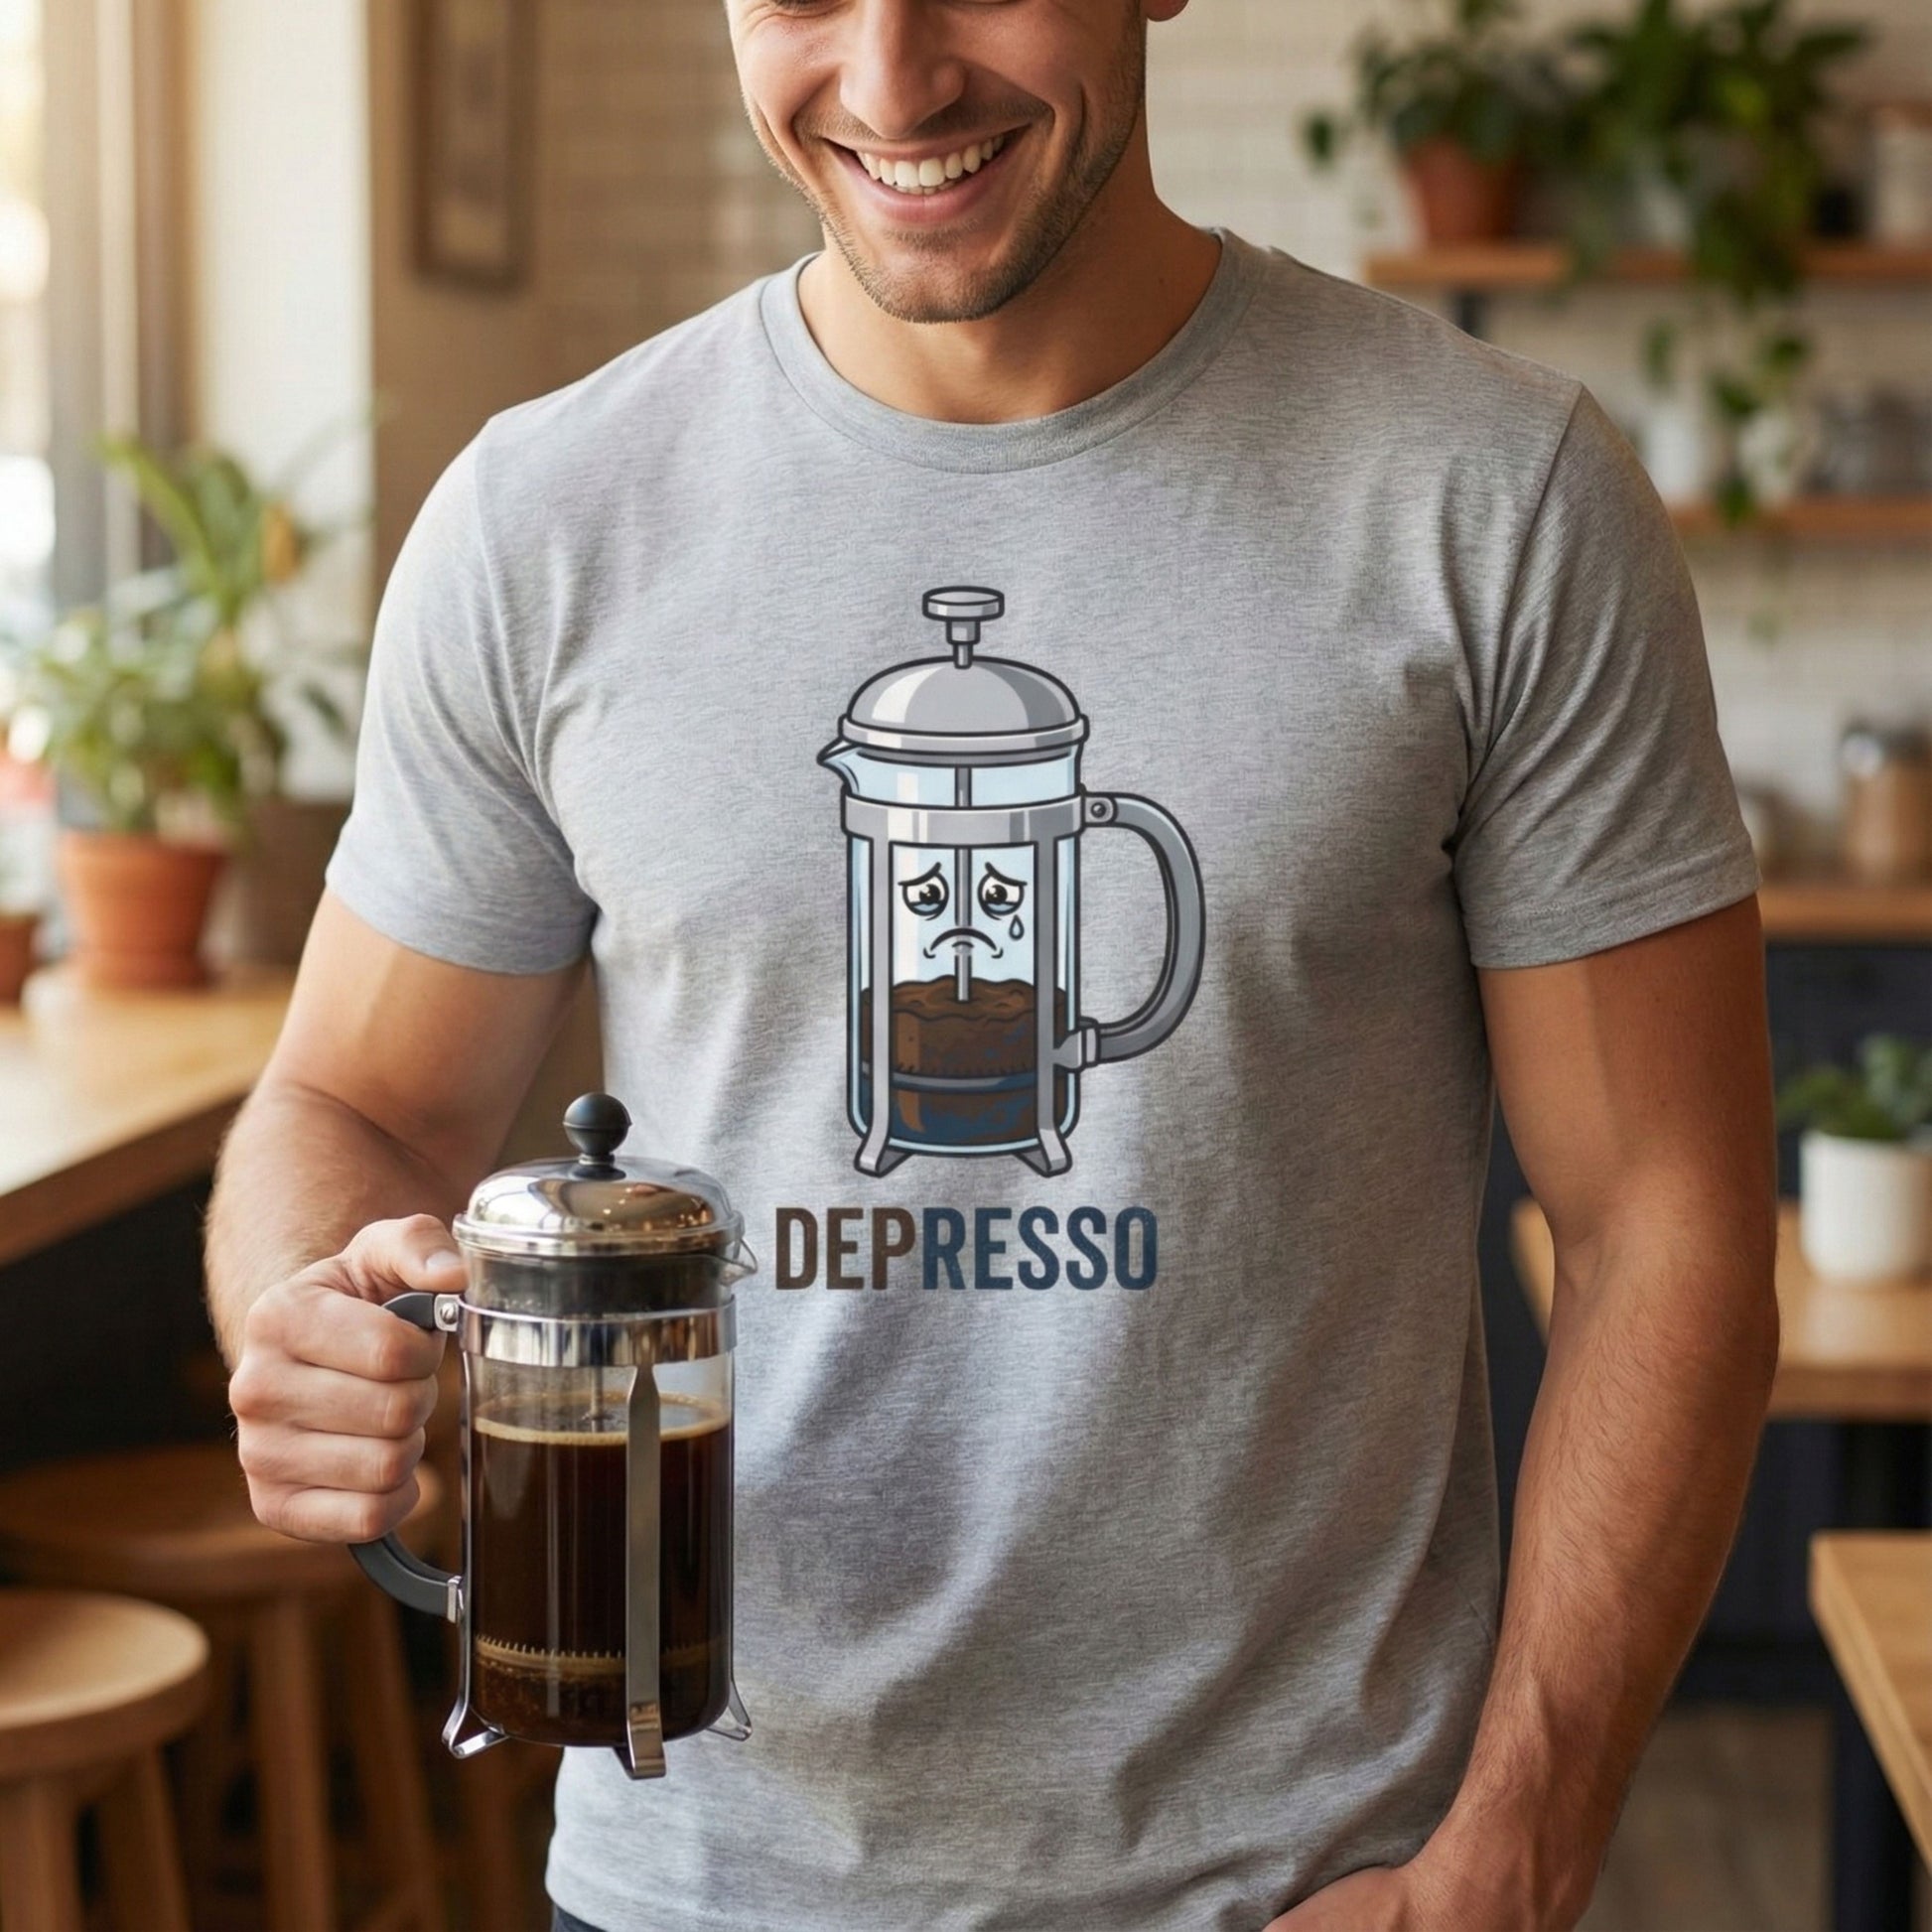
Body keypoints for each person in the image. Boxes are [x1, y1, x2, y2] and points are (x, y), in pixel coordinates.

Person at [207, 1, 1782, 1926]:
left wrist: (1508, 1857)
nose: (888, 79)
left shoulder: (1490, 498)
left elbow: (1666, 1223)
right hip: (701, 1872)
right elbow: (351, 1103)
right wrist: (320, 1319)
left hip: (1302, 1880)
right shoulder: (542, 528)